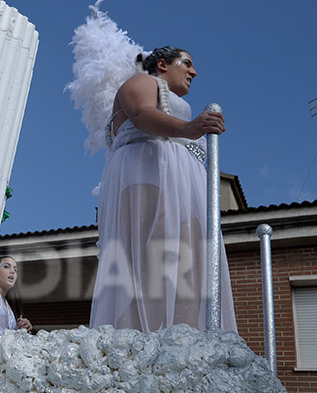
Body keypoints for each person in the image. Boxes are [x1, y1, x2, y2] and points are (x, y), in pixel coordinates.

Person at [89, 47, 238, 333]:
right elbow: (142, 114)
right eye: (187, 63)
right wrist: (190, 127)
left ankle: (187, 337)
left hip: (183, 183)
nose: (194, 72)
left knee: (187, 266)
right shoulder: (144, 82)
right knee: (152, 263)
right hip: (149, 174)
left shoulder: (174, 100)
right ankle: (135, 335)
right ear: (162, 64)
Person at [0, 256, 33, 341]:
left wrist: (22, 328)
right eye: (6, 266)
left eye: (15, 270)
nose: (12, 272)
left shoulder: (8, 304)